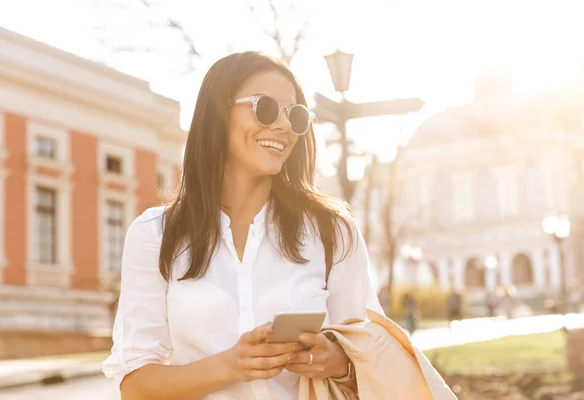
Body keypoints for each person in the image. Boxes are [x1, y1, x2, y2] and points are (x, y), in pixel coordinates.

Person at [102, 52, 382, 400]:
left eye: (295, 115)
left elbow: (373, 353)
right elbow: (136, 386)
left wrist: (337, 360)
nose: (282, 126)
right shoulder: (154, 235)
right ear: (218, 113)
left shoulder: (334, 233)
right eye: (264, 108)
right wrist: (230, 366)